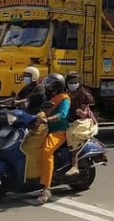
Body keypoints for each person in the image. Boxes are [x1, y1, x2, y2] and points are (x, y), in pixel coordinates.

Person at [36, 73, 70, 205]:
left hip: (58, 131)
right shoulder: (48, 97)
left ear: (57, 86)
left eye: (50, 83)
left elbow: (62, 115)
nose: (47, 85)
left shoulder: (64, 99)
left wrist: (47, 119)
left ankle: (46, 189)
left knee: (46, 150)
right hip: (43, 129)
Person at [64, 72, 97, 176]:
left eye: (75, 82)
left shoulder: (83, 94)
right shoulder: (66, 92)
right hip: (71, 119)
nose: (73, 84)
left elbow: (84, 114)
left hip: (84, 120)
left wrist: (79, 112)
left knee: (71, 134)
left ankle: (74, 166)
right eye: (70, 82)